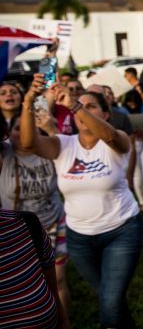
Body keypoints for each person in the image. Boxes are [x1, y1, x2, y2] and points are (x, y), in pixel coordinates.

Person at [20, 74, 142, 328]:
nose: (83, 111)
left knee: (109, 302)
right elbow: (28, 143)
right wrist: (29, 100)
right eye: (79, 107)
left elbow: (109, 137)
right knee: (111, 298)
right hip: (80, 237)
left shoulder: (117, 139)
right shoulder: (63, 145)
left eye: (91, 106)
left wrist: (74, 103)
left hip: (121, 230)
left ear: (105, 114)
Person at [1, 115, 72, 317]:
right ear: (7, 134)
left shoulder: (48, 151)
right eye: (17, 128)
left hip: (53, 224)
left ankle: (62, 320)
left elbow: (62, 144)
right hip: (17, 232)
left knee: (58, 280)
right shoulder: (4, 154)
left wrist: (50, 129)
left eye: (30, 129)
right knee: (26, 284)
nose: (24, 133)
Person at [0, 208, 71, 329]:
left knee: (60, 280)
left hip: (52, 226)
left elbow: (60, 317)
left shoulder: (27, 224)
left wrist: (63, 320)